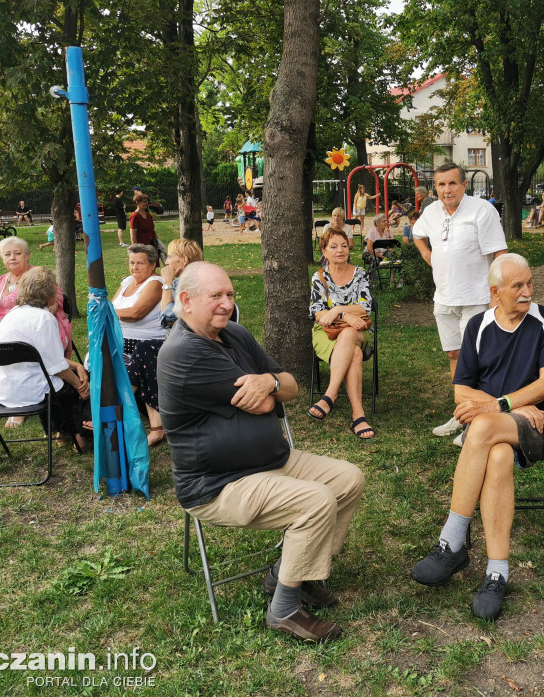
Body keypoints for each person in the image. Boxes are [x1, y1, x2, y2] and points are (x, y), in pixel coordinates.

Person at [158, 262, 364, 643]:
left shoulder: (234, 333)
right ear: (185, 301)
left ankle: (292, 571)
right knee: (317, 500)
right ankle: (284, 608)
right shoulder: (183, 354)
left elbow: (289, 387)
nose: (226, 303)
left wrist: (268, 381)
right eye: (215, 295)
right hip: (219, 483)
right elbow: (268, 406)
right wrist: (271, 392)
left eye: (230, 294)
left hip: (274, 460)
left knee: (349, 479)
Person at [410, 254, 544, 621]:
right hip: (505, 422)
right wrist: (506, 408)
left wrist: (501, 407)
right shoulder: (478, 325)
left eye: (529, 283)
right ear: (495, 292)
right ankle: (497, 572)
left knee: (480, 427)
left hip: (543, 423)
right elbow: (460, 393)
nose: (527, 291)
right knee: (496, 456)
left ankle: (452, 542)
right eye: (518, 286)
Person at [412, 162, 508, 440]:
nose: (447, 189)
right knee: (454, 357)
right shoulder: (431, 212)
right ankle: (462, 415)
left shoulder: (482, 210)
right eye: (441, 185)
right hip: (444, 299)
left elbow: (500, 254)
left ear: (464, 185)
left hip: (476, 299)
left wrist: (495, 297)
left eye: (452, 183)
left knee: (477, 362)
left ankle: (477, 423)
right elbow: (418, 234)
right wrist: (427, 255)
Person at [0, 236, 74, 430]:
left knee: (17, 351)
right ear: (2, 258)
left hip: (28, 336)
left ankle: (19, 405)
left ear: (27, 255)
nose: (13, 258)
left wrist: (20, 327)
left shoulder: (39, 277)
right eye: (7, 254)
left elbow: (51, 305)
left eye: (17, 253)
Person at [0, 267, 90, 451]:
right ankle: (80, 439)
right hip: (30, 391)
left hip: (3, 391)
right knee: (71, 386)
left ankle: (63, 433)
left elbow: (42, 356)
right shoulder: (43, 318)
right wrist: (80, 386)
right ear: (50, 292)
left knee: (66, 378)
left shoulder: (11, 316)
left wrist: (76, 365)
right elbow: (56, 366)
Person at [125, 239, 204, 449]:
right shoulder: (189, 281)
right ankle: (153, 422)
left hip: (194, 346)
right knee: (144, 352)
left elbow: (167, 317)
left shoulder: (191, 284)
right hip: (181, 343)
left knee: (144, 350)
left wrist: (167, 283)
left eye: (169, 257)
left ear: (183, 260)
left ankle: (120, 410)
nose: (166, 261)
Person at [308, 228, 375, 439]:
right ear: (324, 251)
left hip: (358, 330)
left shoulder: (360, 274)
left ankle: (330, 394)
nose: (340, 250)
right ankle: (358, 415)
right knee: (354, 353)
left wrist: (337, 310)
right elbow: (318, 314)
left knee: (348, 335)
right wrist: (347, 317)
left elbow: (365, 308)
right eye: (333, 246)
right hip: (325, 333)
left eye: (344, 245)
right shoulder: (319, 277)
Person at [114, 244, 167, 445]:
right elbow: (111, 306)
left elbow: (136, 313)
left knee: (139, 360)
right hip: (121, 342)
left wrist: (110, 313)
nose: (134, 267)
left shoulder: (155, 282)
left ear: (153, 265)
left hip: (148, 343)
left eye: (140, 263)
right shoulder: (127, 281)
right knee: (95, 363)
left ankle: (117, 411)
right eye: (131, 262)